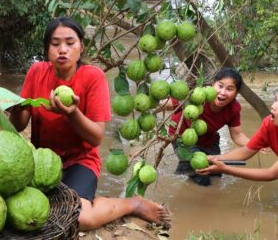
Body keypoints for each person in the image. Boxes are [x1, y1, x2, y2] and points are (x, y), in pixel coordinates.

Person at [9, 16, 171, 230]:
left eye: (70, 42)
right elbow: (19, 126)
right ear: (47, 49)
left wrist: (72, 113)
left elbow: (96, 137)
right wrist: (15, 107)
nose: (62, 50)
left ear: (81, 46)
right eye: (55, 44)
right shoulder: (36, 71)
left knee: (80, 219)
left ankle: (133, 203)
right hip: (42, 162)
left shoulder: (92, 77)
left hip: (80, 162)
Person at [164, 68, 250, 186]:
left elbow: (237, 135)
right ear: (212, 85)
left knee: (217, 173)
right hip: (183, 138)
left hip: (208, 138)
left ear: (236, 93)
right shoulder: (196, 96)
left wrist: (257, 144)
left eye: (230, 89)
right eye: (220, 86)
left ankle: (188, 171)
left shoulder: (234, 108)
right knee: (201, 178)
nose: (223, 92)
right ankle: (190, 175)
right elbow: (165, 103)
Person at [196, 92, 278, 181]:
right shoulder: (269, 124)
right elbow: (246, 151)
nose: (273, 106)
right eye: (275, 100)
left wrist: (225, 169)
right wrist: (214, 158)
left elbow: (271, 174)